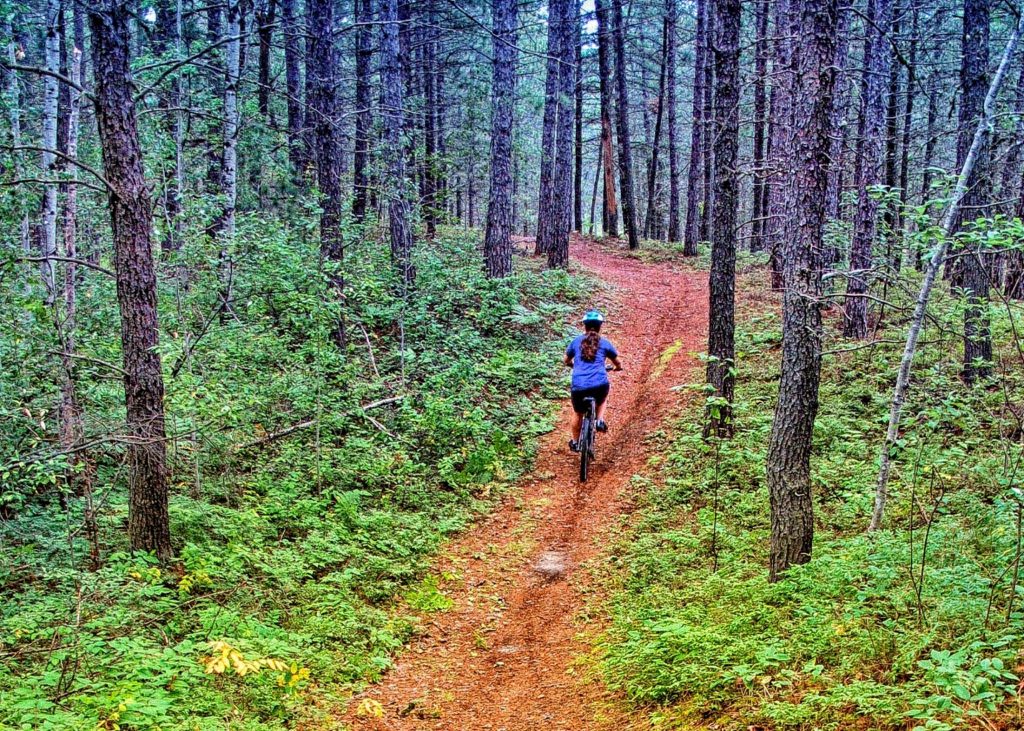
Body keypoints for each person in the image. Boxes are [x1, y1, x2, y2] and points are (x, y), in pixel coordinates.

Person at [564, 309, 622, 452]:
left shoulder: (575, 342)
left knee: (578, 413)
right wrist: (617, 368)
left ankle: (575, 442)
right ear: (600, 326)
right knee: (602, 398)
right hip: (599, 384)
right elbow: (618, 362)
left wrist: (573, 365)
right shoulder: (605, 343)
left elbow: (565, 360)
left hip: (579, 385)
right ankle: (599, 420)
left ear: (584, 325)